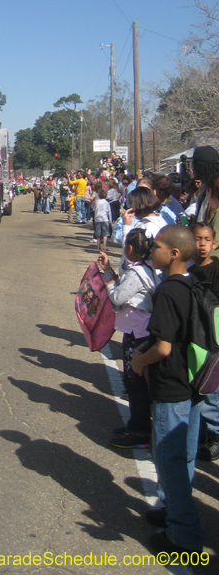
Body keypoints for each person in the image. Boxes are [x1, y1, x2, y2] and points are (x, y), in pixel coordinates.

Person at [131, 225, 203, 555]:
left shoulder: (167, 292)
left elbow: (162, 348)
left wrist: (139, 363)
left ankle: (182, 535)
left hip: (170, 388)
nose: (151, 250)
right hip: (192, 384)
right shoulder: (190, 284)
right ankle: (172, 509)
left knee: (168, 459)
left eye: (157, 246)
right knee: (184, 457)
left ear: (173, 253)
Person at [99, 228, 160, 449]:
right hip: (140, 330)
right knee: (136, 382)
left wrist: (107, 275)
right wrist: (110, 269)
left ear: (131, 248)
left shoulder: (137, 273)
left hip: (137, 334)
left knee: (135, 382)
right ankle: (137, 423)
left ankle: (139, 429)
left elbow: (117, 297)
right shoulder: (147, 268)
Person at [188, 222, 219, 462]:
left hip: (214, 341)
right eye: (197, 239)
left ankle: (215, 435)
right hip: (195, 339)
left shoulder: (216, 271)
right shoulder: (187, 270)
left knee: (213, 392)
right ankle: (201, 435)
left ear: (214, 244)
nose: (202, 244)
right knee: (198, 387)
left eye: (206, 240)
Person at [93, 187, 112, 251]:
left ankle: (98, 245)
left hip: (98, 218)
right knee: (105, 233)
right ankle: (104, 245)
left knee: (98, 233)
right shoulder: (107, 203)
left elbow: (94, 210)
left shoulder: (97, 202)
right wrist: (110, 220)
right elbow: (109, 211)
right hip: (105, 218)